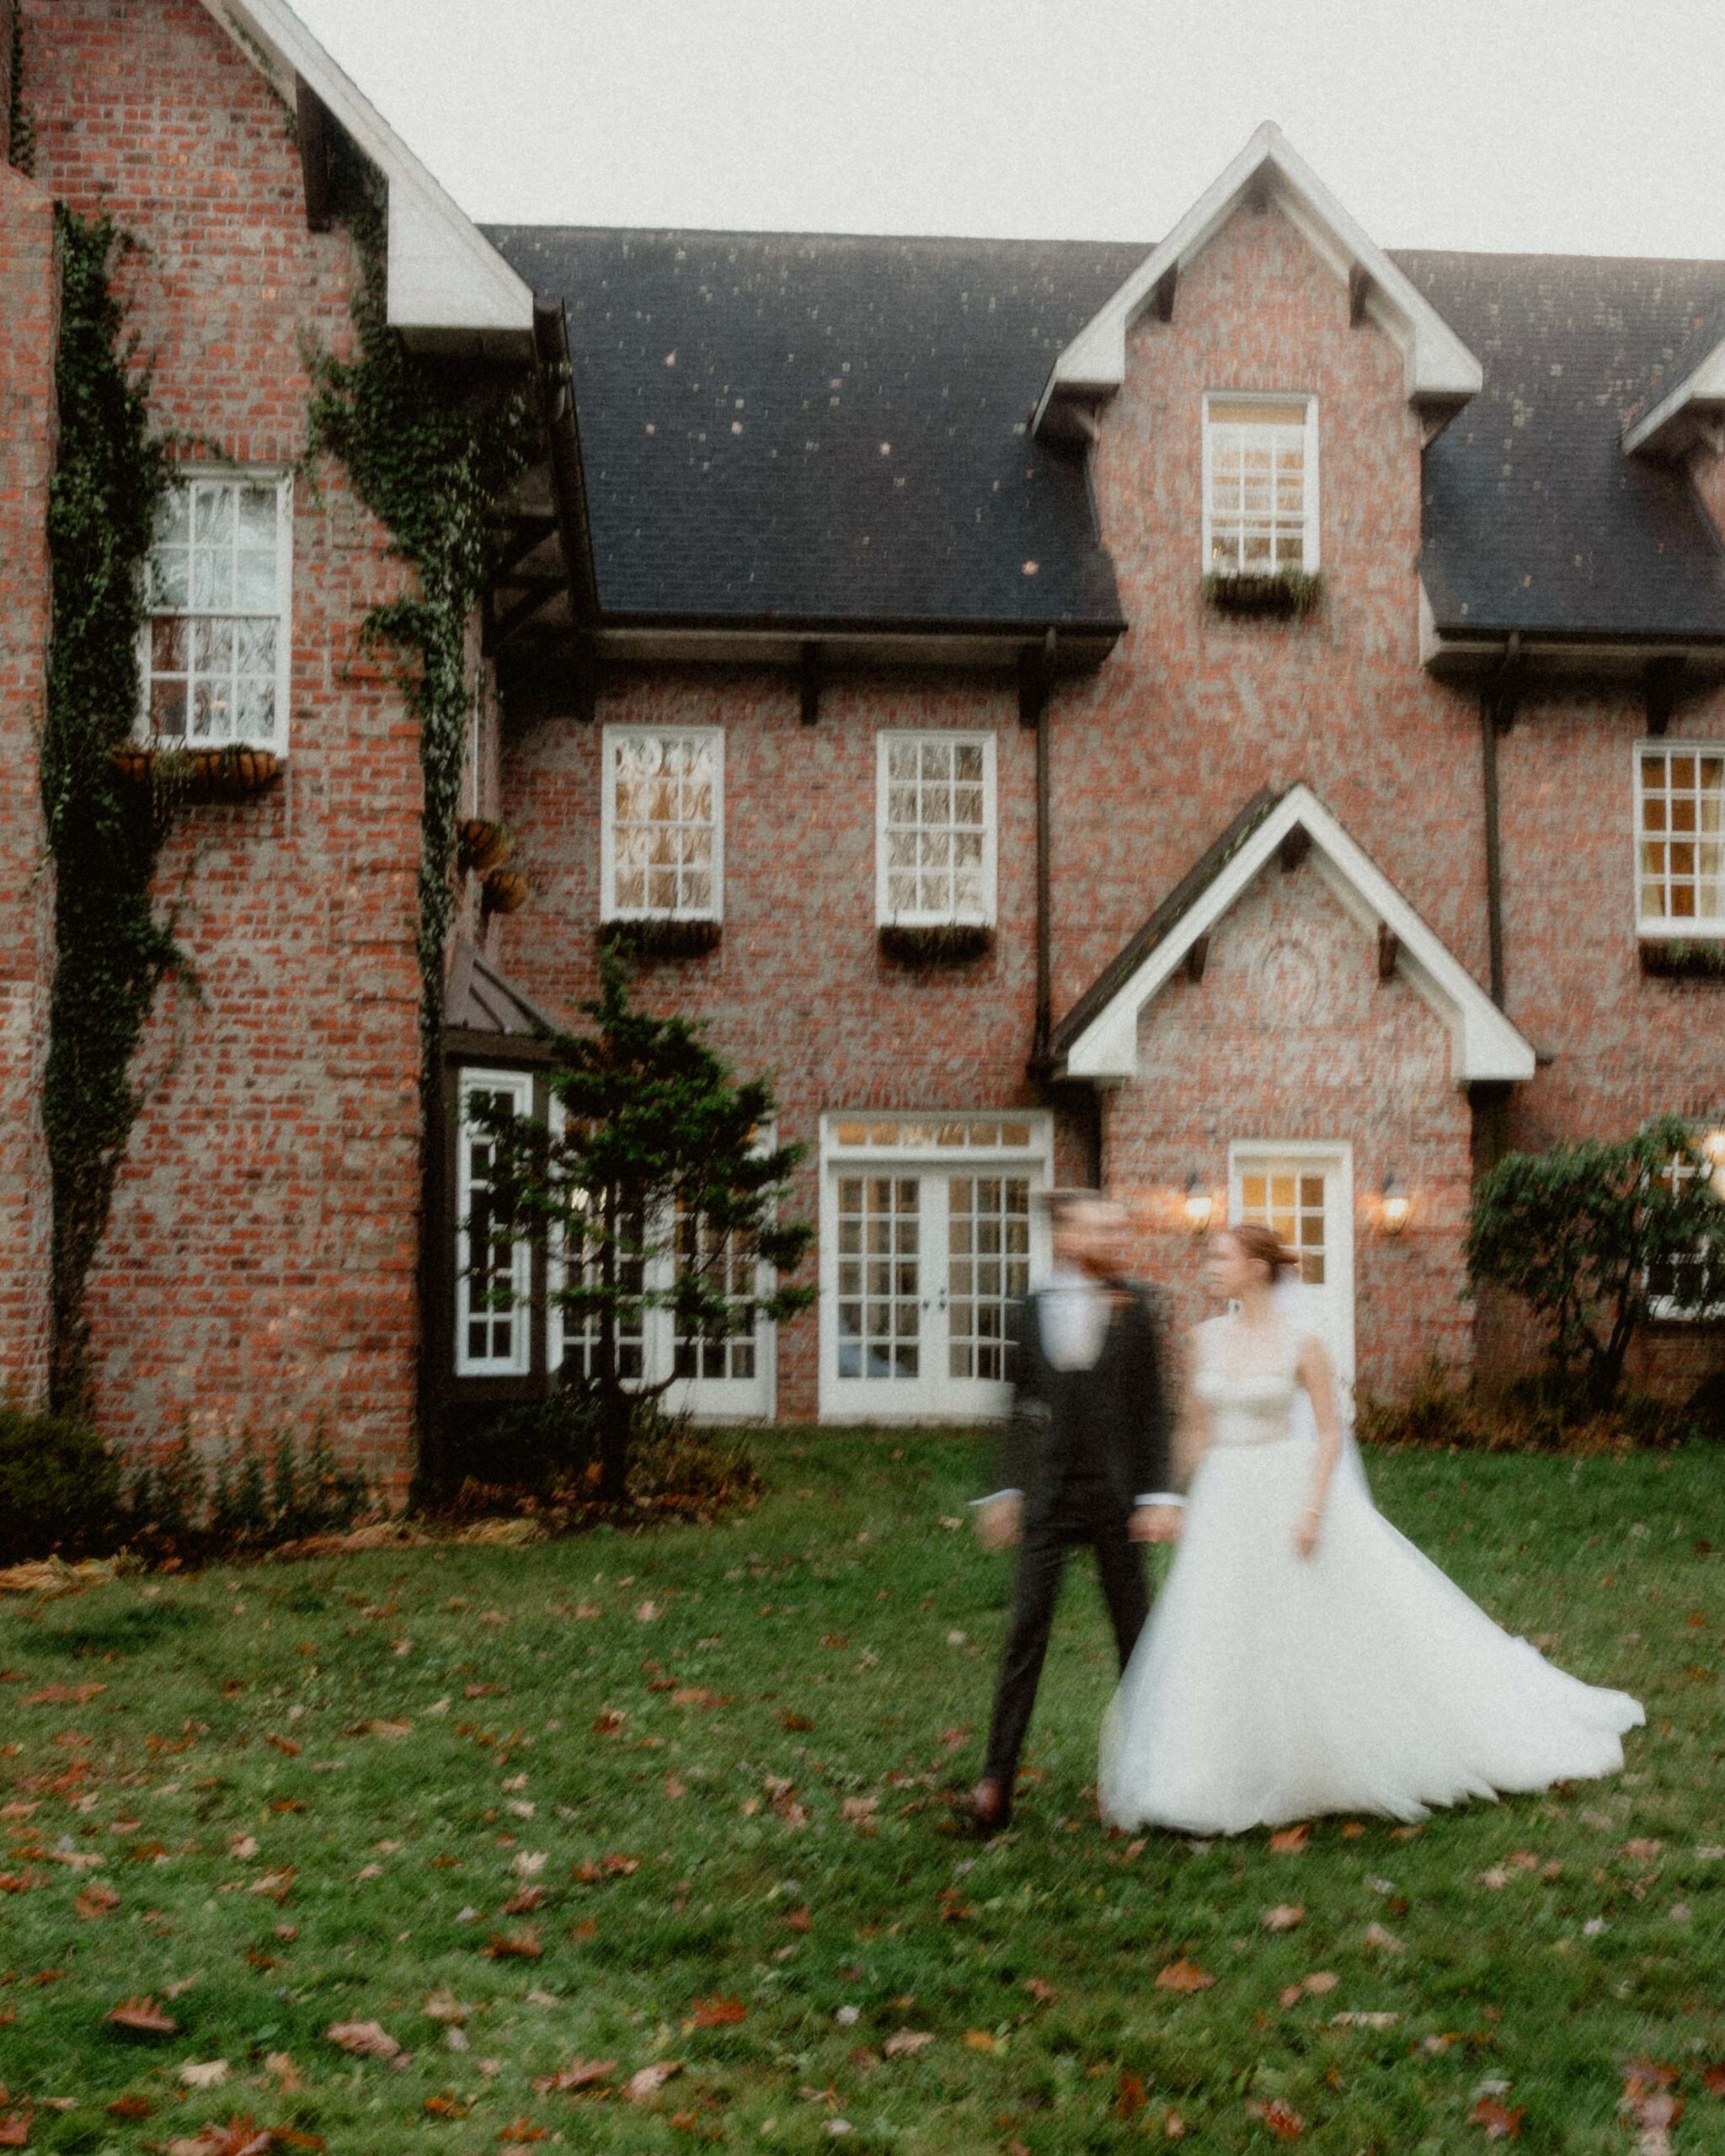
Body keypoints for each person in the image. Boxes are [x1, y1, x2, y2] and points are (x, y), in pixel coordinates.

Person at [1100, 1222, 1645, 1835]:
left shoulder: (1301, 1340)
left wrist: (1310, 1510)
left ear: (1256, 1267)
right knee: (1220, 1629)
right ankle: (1205, 1771)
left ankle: (1311, 1760)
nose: (1209, 1267)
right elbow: (1195, 1428)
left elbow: (1331, 1433)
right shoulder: (1203, 1340)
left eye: (1221, 1257)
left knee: (1296, 1628)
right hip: (1223, 1503)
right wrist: (1168, 1496)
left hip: (1284, 1493)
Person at [959, 1191, 1179, 1836]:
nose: (1110, 1233)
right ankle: (995, 1784)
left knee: (1134, 1638)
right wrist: (1006, 1492)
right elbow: (1020, 1404)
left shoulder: (1137, 1307)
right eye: (1095, 1225)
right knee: (1025, 1633)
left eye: (1112, 1224)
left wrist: (1158, 1497)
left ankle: (1155, 1779)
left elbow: (1152, 1410)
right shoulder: (1029, 1308)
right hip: (1050, 1499)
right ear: (1065, 1236)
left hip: (1116, 1502)